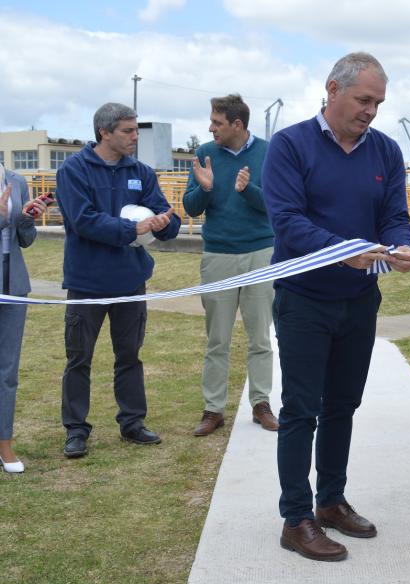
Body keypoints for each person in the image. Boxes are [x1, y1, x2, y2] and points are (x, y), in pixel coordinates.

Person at [263, 52, 410, 562]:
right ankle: (296, 518)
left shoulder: (386, 153)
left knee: (343, 406)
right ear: (332, 89)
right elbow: (286, 221)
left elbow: (395, 214)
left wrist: (403, 244)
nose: (371, 111)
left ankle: (330, 501)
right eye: (363, 100)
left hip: (359, 301)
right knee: (300, 410)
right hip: (304, 300)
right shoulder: (290, 145)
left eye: (378, 103)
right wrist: (344, 250)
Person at [57, 102, 181, 459]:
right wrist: (132, 228)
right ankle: (76, 430)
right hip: (86, 281)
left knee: (130, 355)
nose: (134, 138)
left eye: (135, 131)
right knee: (79, 358)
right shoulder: (74, 170)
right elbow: (83, 220)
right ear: (104, 132)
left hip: (130, 281)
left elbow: (162, 215)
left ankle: (132, 423)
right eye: (127, 131)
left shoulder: (141, 171)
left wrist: (165, 223)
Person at [184, 94, 277, 436]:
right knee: (217, 339)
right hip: (218, 255)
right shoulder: (204, 153)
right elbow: (192, 208)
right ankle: (213, 409)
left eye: (217, 123)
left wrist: (248, 190)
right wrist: (205, 189)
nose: (211, 128)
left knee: (260, 338)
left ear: (237, 124)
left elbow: (277, 204)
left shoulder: (269, 152)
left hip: (260, 255)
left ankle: (261, 403)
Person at [0, 166, 49, 473]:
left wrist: (26, 219)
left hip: (13, 282)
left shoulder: (15, 181)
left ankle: (4, 444)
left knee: (7, 371)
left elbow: (25, 239)